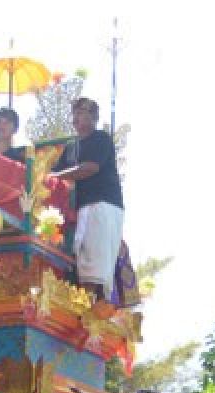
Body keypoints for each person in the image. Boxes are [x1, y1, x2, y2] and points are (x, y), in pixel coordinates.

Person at [51, 97, 124, 301]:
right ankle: (84, 302)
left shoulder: (101, 138)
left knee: (95, 260)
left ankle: (94, 305)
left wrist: (55, 177)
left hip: (102, 204)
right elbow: (52, 174)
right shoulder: (71, 147)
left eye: (83, 112)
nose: (77, 117)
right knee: (80, 259)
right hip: (80, 208)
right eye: (75, 113)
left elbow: (90, 168)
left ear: (94, 117)